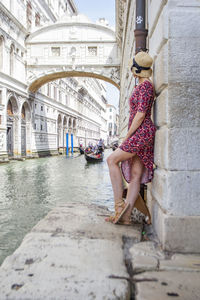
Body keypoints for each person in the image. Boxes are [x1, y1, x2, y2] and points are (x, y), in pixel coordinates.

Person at [106, 51, 156, 225]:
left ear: (136, 69)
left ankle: (119, 206)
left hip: (141, 132)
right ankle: (125, 216)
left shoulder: (145, 87)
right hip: (144, 132)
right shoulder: (144, 86)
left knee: (112, 160)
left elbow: (140, 115)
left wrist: (128, 136)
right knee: (135, 175)